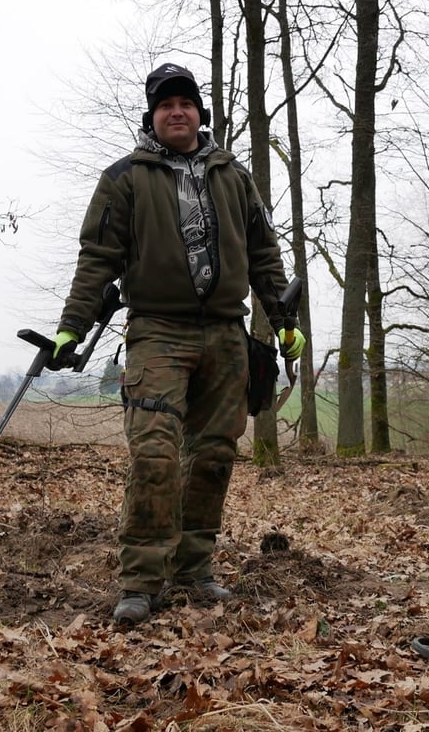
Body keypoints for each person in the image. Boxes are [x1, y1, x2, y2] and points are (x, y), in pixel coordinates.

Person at [50, 63, 306, 626]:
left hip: (225, 332)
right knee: (155, 454)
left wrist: (284, 318)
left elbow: (265, 253)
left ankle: (194, 569)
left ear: (199, 113)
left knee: (214, 455)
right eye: (165, 104)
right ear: (153, 115)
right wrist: (71, 325)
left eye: (185, 102)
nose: (176, 111)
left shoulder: (234, 177)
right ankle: (141, 581)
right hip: (157, 331)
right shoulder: (124, 178)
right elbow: (97, 258)